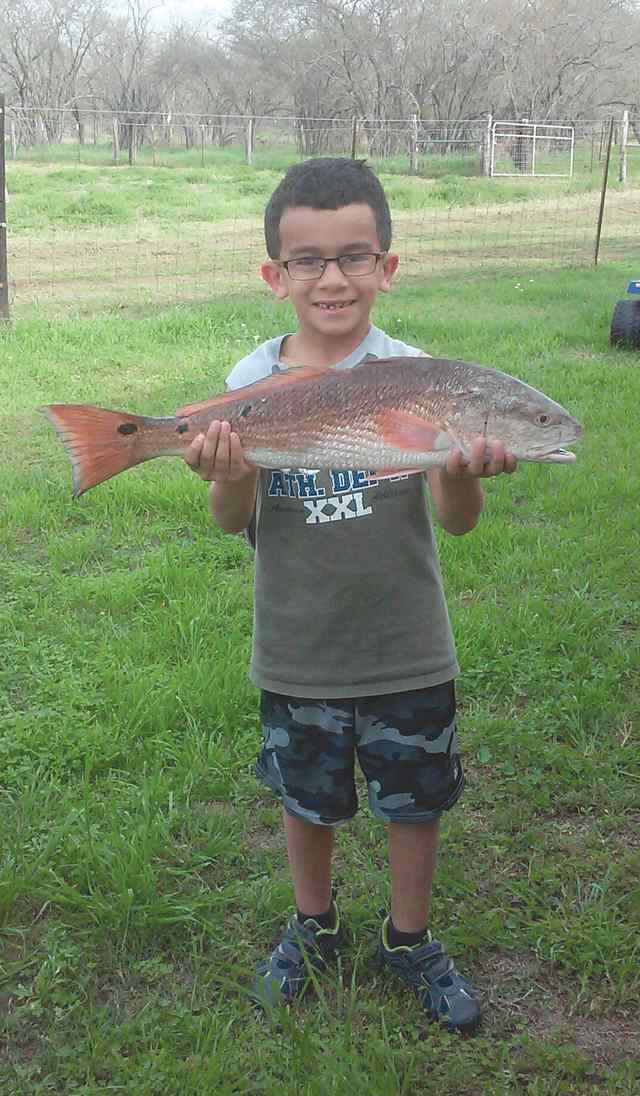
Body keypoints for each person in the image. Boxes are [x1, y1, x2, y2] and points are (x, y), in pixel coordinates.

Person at [184, 157, 517, 1035]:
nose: (332, 279)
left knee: (416, 802)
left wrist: (462, 465)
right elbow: (231, 519)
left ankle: (410, 938)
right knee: (307, 800)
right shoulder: (252, 379)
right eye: (309, 260)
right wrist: (227, 469)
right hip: (298, 644)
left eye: (354, 257)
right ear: (276, 275)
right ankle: (315, 926)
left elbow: (458, 523)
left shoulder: (421, 374)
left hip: (408, 644)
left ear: (387, 267)